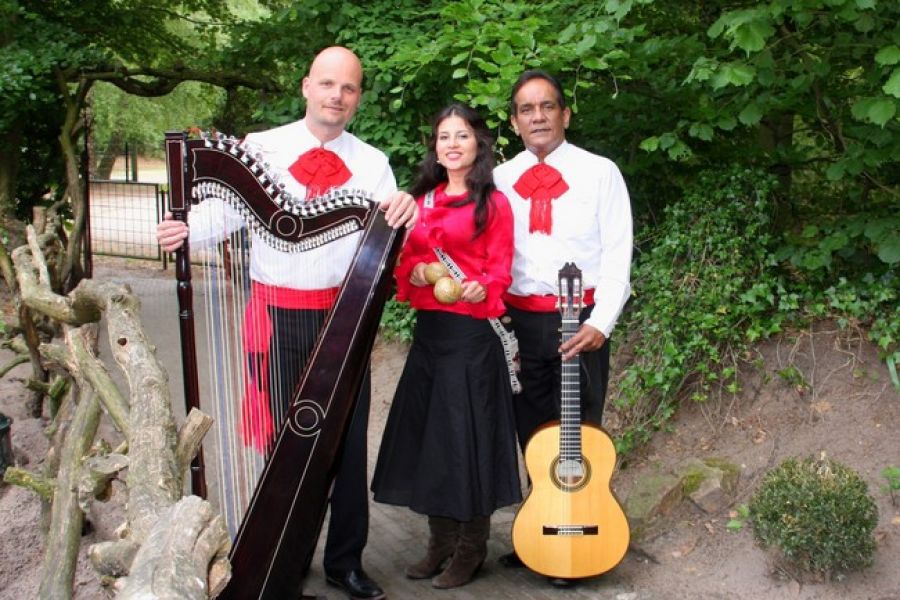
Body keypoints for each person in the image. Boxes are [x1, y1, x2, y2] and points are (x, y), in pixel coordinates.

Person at [157, 46, 417, 600]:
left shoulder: (372, 163)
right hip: (273, 319)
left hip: (341, 326)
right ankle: (285, 557)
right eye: (327, 84)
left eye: (347, 89)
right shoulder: (264, 147)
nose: (336, 96)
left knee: (345, 448)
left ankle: (345, 562)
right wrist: (184, 230)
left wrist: (403, 209)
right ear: (306, 86)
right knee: (284, 448)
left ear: (358, 97)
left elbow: (392, 233)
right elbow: (225, 211)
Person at [370, 103, 521, 589]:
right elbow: (408, 265)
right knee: (431, 442)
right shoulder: (423, 200)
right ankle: (439, 542)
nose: (451, 144)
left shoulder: (492, 203)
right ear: (434, 147)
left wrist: (481, 286)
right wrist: (413, 273)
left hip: (472, 339)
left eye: (461, 135)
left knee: (465, 442)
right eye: (442, 137)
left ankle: (472, 547)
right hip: (431, 336)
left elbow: (500, 269)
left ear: (477, 143)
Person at [493, 70, 633, 583]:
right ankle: (542, 526)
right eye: (526, 110)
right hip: (521, 322)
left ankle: (581, 525)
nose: (537, 117)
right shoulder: (502, 178)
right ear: (514, 122)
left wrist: (603, 322)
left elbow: (619, 253)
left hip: (583, 322)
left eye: (547, 106)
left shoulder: (601, 172)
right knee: (529, 430)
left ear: (565, 114)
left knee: (579, 431)